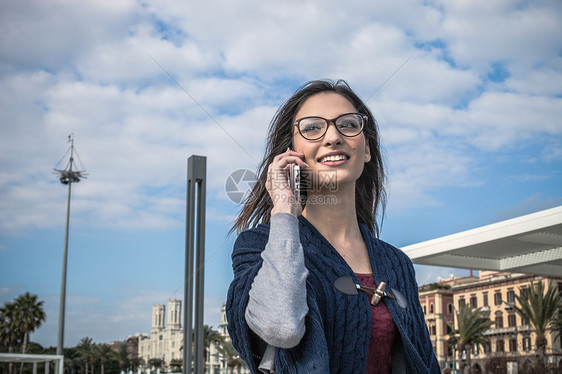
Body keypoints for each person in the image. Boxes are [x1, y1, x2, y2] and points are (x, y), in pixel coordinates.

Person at [226, 79, 440, 373]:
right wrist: (285, 210)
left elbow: (425, 364)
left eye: (349, 125)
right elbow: (280, 327)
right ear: (291, 153)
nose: (333, 137)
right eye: (313, 128)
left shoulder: (397, 263)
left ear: (366, 150)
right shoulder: (259, 246)